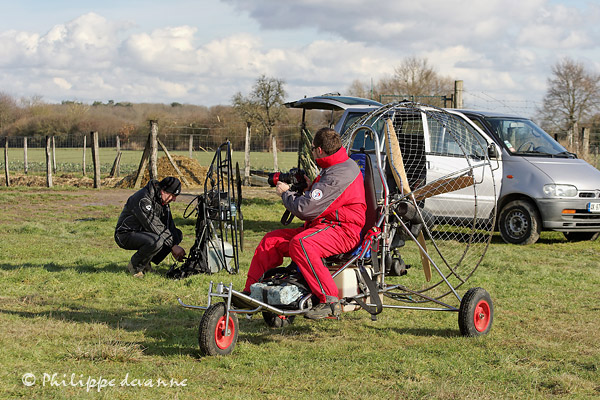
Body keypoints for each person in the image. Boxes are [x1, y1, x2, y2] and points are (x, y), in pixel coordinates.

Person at [244, 127, 366, 319]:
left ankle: (329, 299)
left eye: (312, 149)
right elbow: (324, 199)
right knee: (271, 241)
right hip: (324, 227)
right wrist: (311, 188)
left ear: (319, 150)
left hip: (343, 231)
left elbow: (306, 209)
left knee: (301, 243)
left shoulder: (338, 173)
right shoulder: (336, 166)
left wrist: (286, 194)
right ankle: (250, 293)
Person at [115, 177, 186, 277]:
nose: (174, 199)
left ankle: (145, 263)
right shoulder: (143, 199)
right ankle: (135, 266)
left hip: (143, 232)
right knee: (156, 241)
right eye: (173, 195)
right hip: (125, 234)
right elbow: (153, 224)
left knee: (176, 234)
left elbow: (169, 224)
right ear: (163, 191)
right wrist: (173, 246)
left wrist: (174, 243)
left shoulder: (162, 200)